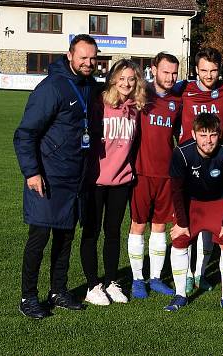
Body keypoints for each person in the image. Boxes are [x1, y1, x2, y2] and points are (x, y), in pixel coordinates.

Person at [14, 34, 99, 319]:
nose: (88, 62)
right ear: (70, 55)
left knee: (65, 238)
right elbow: (25, 134)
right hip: (48, 178)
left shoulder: (88, 85)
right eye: (83, 57)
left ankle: (58, 291)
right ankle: (28, 297)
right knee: (39, 239)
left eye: (92, 58)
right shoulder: (52, 87)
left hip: (74, 178)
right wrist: (32, 172)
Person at [79, 59, 146, 306]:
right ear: (112, 80)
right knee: (91, 232)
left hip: (121, 181)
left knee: (113, 233)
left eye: (131, 79)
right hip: (95, 181)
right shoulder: (99, 104)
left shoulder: (135, 108)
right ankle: (91, 285)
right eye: (122, 78)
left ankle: (110, 281)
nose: (127, 83)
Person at [164, 113, 223, 313]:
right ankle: (180, 294)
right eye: (203, 135)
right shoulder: (181, 153)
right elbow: (176, 190)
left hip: (220, 202)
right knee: (179, 240)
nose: (208, 141)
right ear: (193, 134)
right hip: (192, 204)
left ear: (219, 135)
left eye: (213, 135)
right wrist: (181, 222)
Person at [175, 48, 223, 294]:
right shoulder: (184, 89)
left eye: (213, 70)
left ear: (219, 70)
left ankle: (201, 273)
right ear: (196, 70)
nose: (209, 75)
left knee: (211, 219)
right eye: (204, 70)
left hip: (217, 162)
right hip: (188, 162)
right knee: (189, 219)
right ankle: (188, 274)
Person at [126, 52, 182, 299]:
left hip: (166, 174)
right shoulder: (140, 95)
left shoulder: (177, 101)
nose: (170, 78)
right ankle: (138, 279)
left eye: (174, 73)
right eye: (165, 72)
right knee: (138, 225)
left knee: (160, 227)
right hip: (141, 172)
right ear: (153, 70)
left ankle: (156, 277)